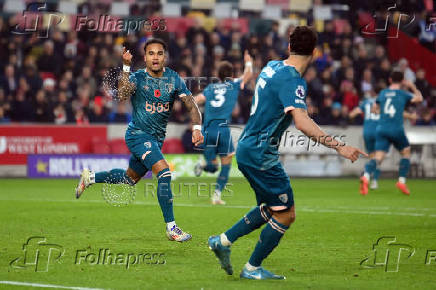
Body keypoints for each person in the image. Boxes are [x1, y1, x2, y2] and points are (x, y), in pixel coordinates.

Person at [208, 26, 367, 280]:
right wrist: (340, 146)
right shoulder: (293, 80)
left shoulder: (271, 66)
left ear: (289, 47)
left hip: (249, 147)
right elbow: (302, 123)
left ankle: (223, 241)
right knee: (286, 213)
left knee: (270, 207)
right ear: (315, 52)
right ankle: (251, 268)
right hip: (261, 153)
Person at [75, 38, 204, 242]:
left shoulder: (174, 78)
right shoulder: (137, 77)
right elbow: (124, 94)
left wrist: (197, 128)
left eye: (159, 53)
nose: (155, 57)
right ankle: (172, 228)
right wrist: (126, 66)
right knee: (164, 171)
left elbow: (191, 105)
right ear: (144, 58)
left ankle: (89, 178)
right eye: (151, 53)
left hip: (155, 140)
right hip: (137, 135)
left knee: (129, 179)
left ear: (164, 57)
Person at [193, 51, 253, 205]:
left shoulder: (211, 88)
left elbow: (196, 101)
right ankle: (217, 195)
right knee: (225, 165)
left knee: (213, 167)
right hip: (223, 130)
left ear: (218, 75)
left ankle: (203, 164)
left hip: (208, 129)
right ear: (231, 75)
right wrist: (248, 62)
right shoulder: (233, 85)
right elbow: (248, 75)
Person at [362, 71, 423, 195]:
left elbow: (374, 109)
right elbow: (419, 98)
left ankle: (366, 175)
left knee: (378, 157)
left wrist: (383, 114)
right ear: (402, 81)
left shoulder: (383, 93)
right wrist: (412, 86)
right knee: (406, 152)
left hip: (381, 129)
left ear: (390, 80)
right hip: (396, 129)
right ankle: (401, 181)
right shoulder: (403, 93)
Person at [350, 94, 418, 194]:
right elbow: (395, 112)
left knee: (374, 157)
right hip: (379, 130)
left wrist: (350, 117)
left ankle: (366, 175)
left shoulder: (366, 102)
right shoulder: (384, 100)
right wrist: (411, 116)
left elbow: (353, 113)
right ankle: (375, 181)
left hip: (367, 132)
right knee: (380, 158)